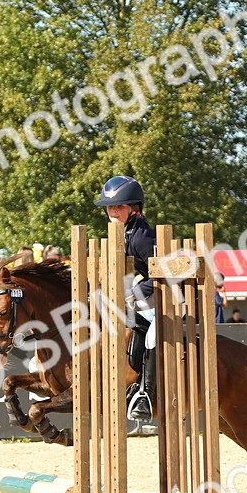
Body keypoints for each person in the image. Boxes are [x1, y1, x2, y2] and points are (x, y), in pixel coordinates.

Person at [94, 175, 156, 419]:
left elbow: (166, 273)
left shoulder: (141, 237)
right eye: (110, 206)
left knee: (152, 333)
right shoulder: (124, 233)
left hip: (176, 295)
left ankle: (146, 394)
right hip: (152, 294)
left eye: (119, 206)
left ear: (134, 208)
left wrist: (135, 294)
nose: (113, 211)